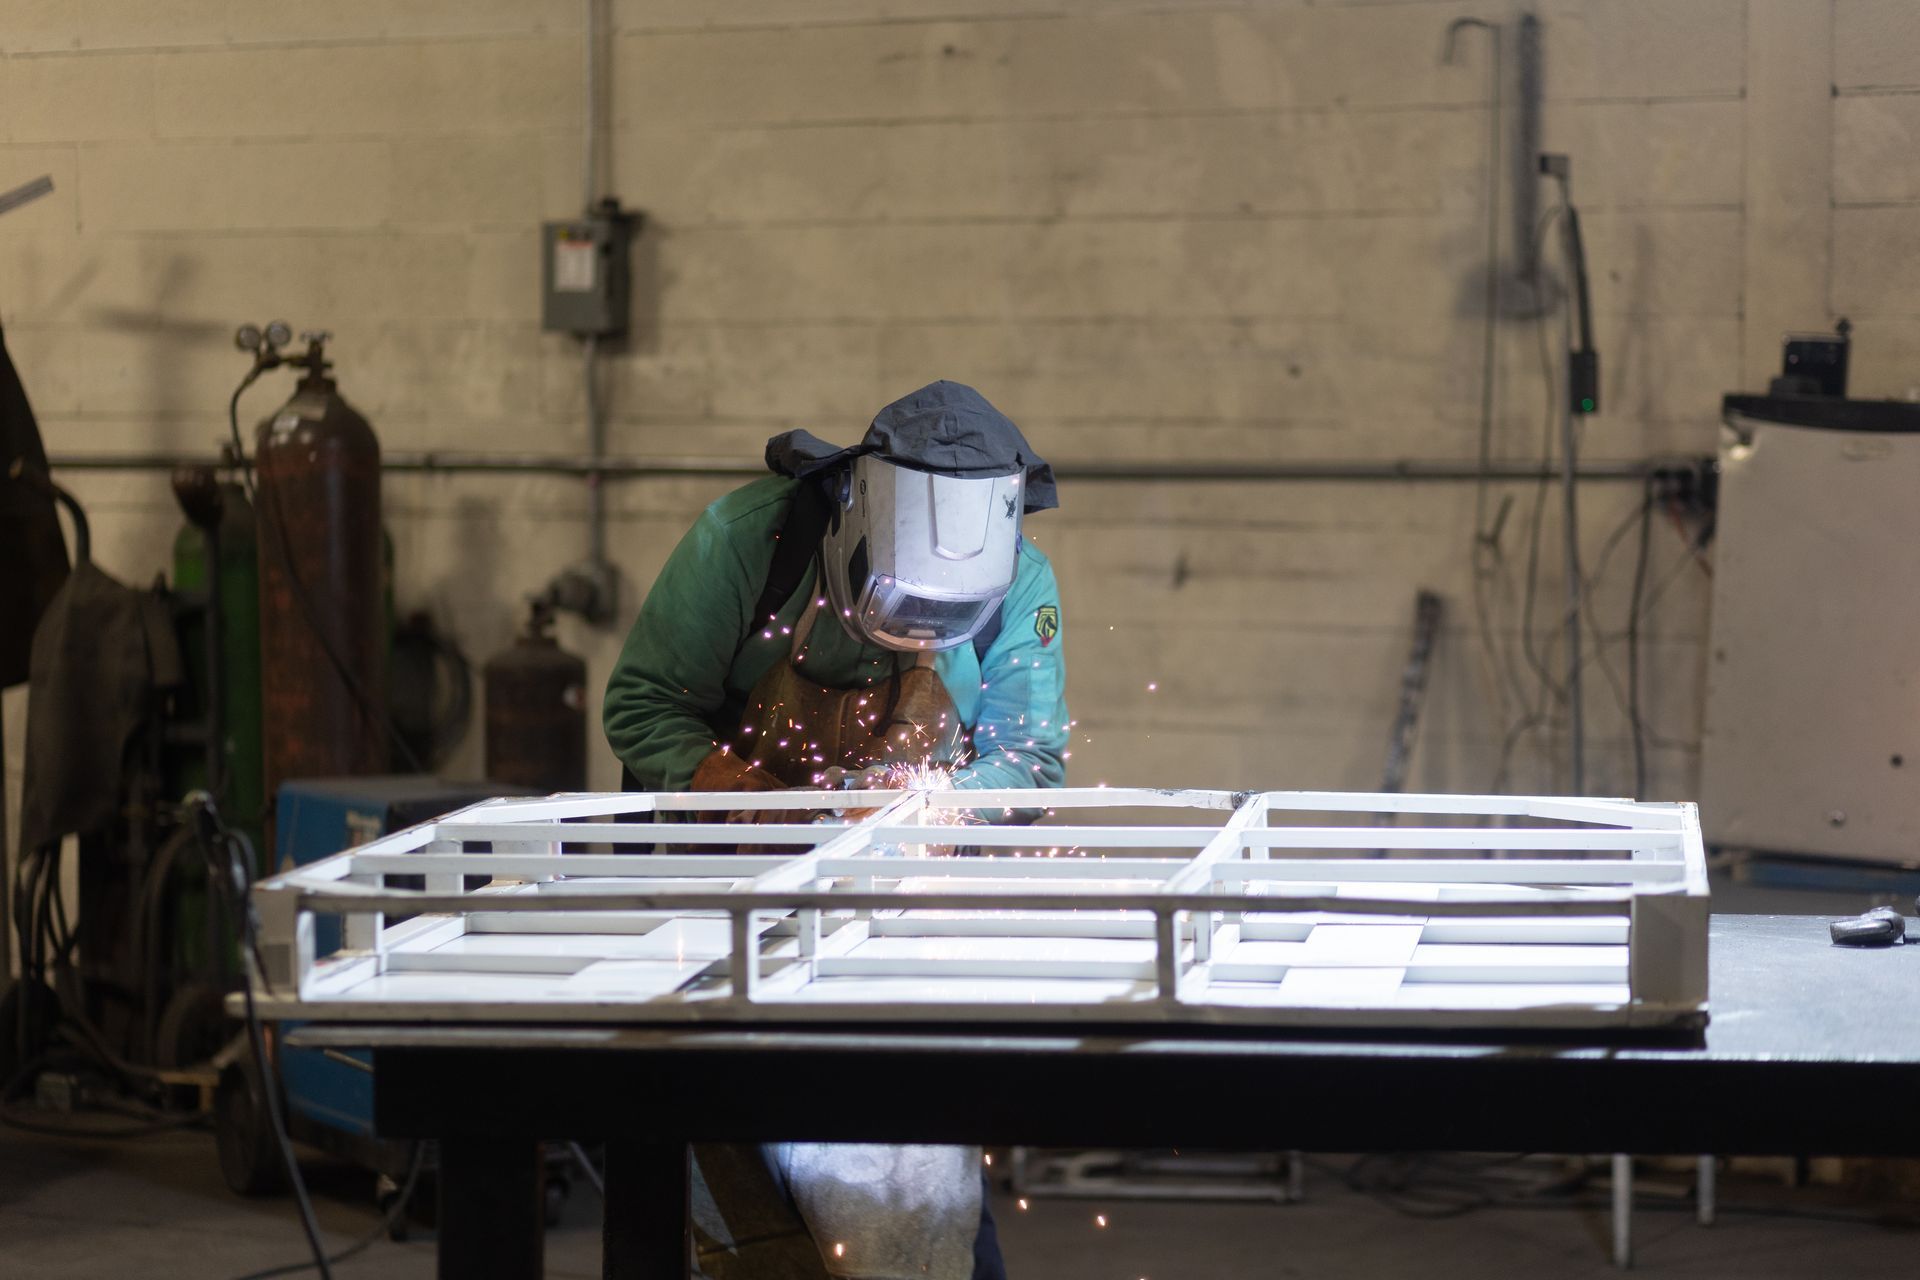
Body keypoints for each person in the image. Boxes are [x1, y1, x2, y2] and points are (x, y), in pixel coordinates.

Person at [603, 380, 1068, 1279]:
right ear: (853, 528)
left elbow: (1033, 756)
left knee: (914, 1186)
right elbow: (643, 701)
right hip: (724, 902)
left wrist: (923, 809)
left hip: (892, 918)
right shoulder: (748, 541)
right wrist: (742, 798)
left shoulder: (1022, 580)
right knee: (722, 1166)